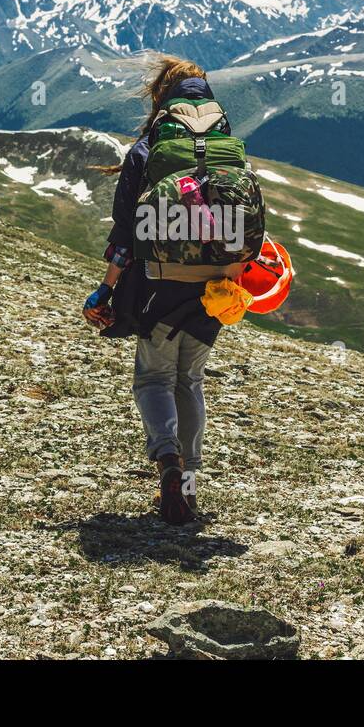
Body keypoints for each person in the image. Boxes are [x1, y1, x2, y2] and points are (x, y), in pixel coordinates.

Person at [82, 56, 229, 525]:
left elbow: (124, 235)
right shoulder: (225, 148)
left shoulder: (147, 150)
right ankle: (187, 486)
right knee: (190, 380)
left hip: (158, 282)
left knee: (154, 378)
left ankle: (168, 462)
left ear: (163, 97)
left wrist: (104, 292)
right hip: (214, 286)